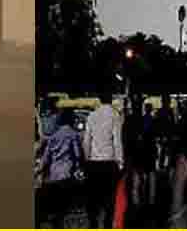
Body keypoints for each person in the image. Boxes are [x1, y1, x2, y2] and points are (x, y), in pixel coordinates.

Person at [83, 91, 124, 229]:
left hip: (94, 162)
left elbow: (87, 140)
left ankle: (93, 224)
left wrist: (86, 159)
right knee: (109, 199)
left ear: (99, 99)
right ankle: (107, 225)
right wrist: (120, 161)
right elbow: (117, 141)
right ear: (111, 99)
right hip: (109, 162)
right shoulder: (115, 115)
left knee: (93, 198)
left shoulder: (92, 116)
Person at [39, 108, 85, 229]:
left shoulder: (54, 135)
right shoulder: (73, 135)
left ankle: (56, 222)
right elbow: (78, 154)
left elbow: (46, 157)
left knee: (55, 206)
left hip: (53, 175)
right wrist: (80, 166)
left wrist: (39, 171)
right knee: (65, 208)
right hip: (67, 174)